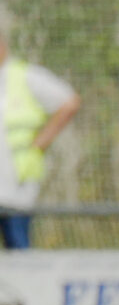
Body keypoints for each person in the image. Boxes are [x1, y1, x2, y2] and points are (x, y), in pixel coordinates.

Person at [0, 28, 81, 249]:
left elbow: (69, 102)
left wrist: (41, 141)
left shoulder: (24, 76)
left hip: (15, 186)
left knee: (18, 249)